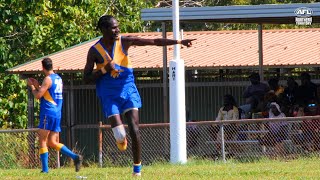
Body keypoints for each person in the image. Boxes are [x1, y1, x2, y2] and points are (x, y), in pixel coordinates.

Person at [83, 15, 195, 176]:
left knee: (135, 129)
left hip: (128, 90)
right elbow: (86, 79)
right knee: (120, 135)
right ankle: (120, 138)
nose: (118, 30)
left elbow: (154, 42)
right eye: (114, 27)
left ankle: (137, 170)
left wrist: (178, 42)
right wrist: (103, 70)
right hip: (108, 94)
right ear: (104, 29)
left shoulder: (125, 41)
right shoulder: (94, 51)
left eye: (118, 26)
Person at [27, 58, 82, 173]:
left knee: (42, 140)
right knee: (52, 142)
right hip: (57, 113)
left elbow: (38, 96)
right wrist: (38, 85)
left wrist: (32, 87)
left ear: (43, 67)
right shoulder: (58, 78)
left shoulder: (47, 79)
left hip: (48, 112)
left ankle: (45, 170)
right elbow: (48, 93)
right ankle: (75, 157)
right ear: (52, 65)